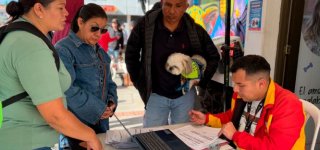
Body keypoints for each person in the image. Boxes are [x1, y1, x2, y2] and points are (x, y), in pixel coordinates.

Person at [0, 1, 102, 150]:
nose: (66, 13)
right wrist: (90, 136)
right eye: (60, 7)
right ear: (39, 9)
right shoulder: (31, 45)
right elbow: (55, 115)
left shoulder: (17, 35)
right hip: (25, 141)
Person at [125, 0, 220, 127]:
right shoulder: (145, 27)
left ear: (186, 6)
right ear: (162, 3)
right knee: (153, 138)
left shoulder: (194, 30)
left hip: (185, 96)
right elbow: (131, 55)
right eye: (168, 5)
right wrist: (139, 81)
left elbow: (213, 56)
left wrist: (201, 79)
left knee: (183, 137)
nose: (172, 11)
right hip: (155, 95)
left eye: (178, 5)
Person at [189, 55, 305, 149]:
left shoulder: (288, 105)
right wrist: (207, 119)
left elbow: (275, 147)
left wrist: (236, 136)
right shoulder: (241, 95)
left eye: (240, 85)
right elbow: (233, 116)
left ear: (261, 84)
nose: (235, 89)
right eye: (234, 83)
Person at [54, 3, 118, 149]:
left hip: (101, 125)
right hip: (75, 128)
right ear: (80, 22)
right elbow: (67, 89)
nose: (98, 34)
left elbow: (110, 83)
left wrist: (111, 102)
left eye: (103, 30)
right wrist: (98, 109)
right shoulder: (63, 49)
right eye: (94, 28)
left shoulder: (101, 53)